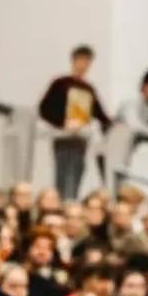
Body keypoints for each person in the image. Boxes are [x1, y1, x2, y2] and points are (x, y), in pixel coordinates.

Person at [39, 46, 108, 201]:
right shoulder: (60, 83)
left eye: (87, 62)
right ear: (74, 61)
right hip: (63, 137)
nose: (84, 65)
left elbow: (100, 114)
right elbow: (45, 109)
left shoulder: (89, 89)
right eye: (81, 60)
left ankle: (71, 203)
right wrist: (62, 122)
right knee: (62, 174)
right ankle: (59, 203)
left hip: (81, 139)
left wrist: (114, 125)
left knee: (77, 175)